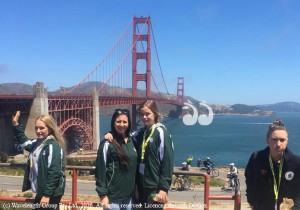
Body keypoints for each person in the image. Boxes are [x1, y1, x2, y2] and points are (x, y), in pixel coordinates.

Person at [104, 100, 174, 210]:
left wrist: (163, 189)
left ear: (155, 114)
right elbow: (126, 136)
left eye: (148, 114)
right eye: (142, 114)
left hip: (154, 188)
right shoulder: (142, 132)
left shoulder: (161, 132)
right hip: (139, 186)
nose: (144, 117)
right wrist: (111, 132)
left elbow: (167, 161)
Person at [12, 111, 66, 210]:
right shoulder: (39, 142)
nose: (38, 131)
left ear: (50, 129)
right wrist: (16, 124)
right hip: (42, 192)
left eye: (42, 128)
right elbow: (25, 143)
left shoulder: (53, 146)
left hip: (50, 195)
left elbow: (55, 172)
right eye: (36, 128)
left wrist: (46, 195)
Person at [245, 119, 300, 210]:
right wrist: (251, 202)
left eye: (282, 140)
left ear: (287, 141)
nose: (278, 144)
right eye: (274, 140)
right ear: (267, 140)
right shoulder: (256, 158)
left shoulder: (296, 163)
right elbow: (250, 181)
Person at [95, 109, 137, 210]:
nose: (122, 125)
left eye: (125, 122)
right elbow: (100, 171)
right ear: (113, 123)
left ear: (129, 123)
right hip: (112, 199)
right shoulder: (107, 143)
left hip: (129, 198)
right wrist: (103, 195)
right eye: (118, 121)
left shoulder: (133, 140)